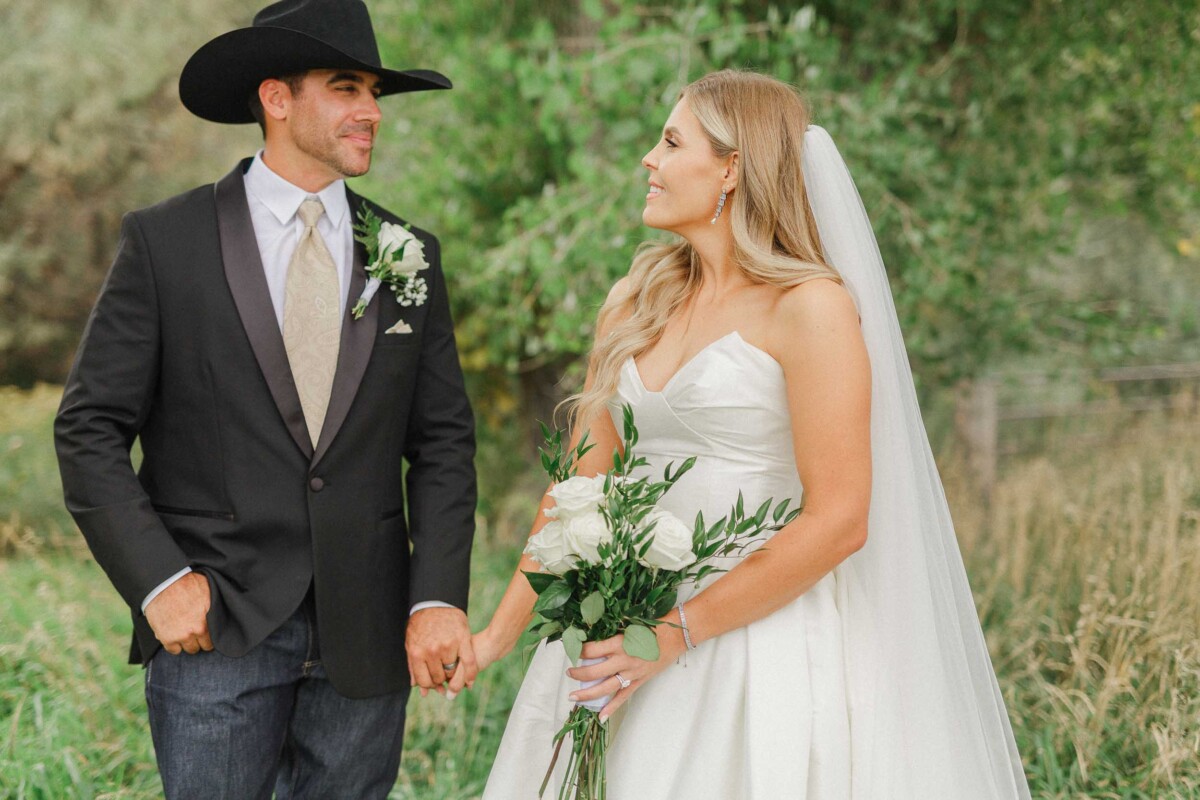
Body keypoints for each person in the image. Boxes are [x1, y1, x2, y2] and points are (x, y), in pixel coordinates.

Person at [475, 70, 1031, 798]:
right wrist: (494, 639)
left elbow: (840, 521)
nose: (649, 158)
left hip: (753, 642)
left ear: (732, 168)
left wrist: (674, 634)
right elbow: (577, 485)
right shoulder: (635, 299)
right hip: (620, 625)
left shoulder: (811, 308)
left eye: (672, 142)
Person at [53, 1, 476, 796]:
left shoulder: (410, 256)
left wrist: (439, 598)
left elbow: (445, 442)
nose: (372, 113)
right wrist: (157, 582)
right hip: (217, 628)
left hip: (367, 633)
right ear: (276, 99)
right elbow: (88, 430)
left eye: (375, 94)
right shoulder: (165, 243)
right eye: (347, 88)